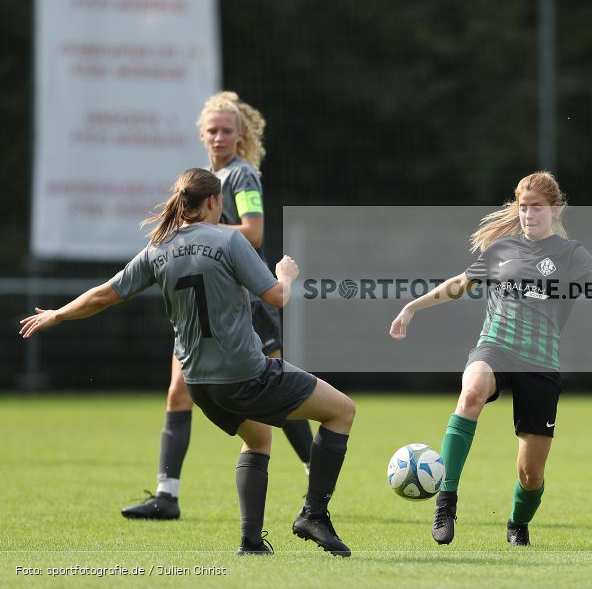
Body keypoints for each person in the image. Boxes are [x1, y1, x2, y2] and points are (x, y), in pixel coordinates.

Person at [20, 168, 354, 557]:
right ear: (214, 202)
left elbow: (101, 296)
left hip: (199, 385)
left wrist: (58, 314)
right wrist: (286, 275)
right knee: (342, 412)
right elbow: (277, 297)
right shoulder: (229, 240)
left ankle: (250, 542)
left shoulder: (158, 248)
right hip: (247, 373)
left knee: (258, 438)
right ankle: (313, 514)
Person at [389, 171, 592, 547]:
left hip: (540, 363)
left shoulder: (570, 254)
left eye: (537, 208)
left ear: (555, 209)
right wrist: (412, 307)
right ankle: (446, 503)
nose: (529, 214)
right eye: (523, 207)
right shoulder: (501, 250)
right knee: (471, 391)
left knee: (531, 474)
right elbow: (459, 283)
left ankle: (517, 523)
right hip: (495, 345)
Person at [121, 92, 315, 521]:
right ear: (202, 135)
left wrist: (197, 230)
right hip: (204, 303)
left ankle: (314, 468)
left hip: (243, 299)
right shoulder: (207, 177)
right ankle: (166, 494)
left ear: (240, 134)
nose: (219, 136)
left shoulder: (242, 176)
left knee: (281, 395)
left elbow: (255, 232)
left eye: (227, 129)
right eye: (212, 129)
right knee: (177, 390)